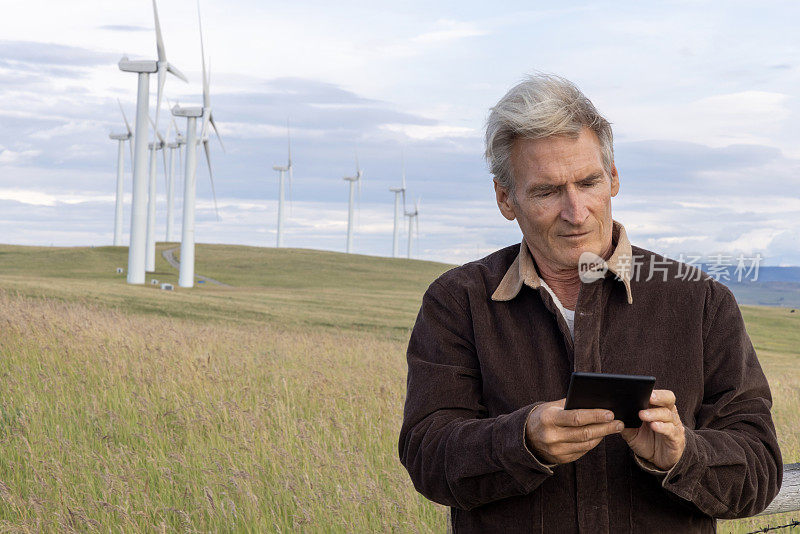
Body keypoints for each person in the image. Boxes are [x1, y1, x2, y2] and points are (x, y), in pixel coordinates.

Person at [398, 74, 782, 533]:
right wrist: (521, 442)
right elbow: (426, 455)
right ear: (505, 198)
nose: (576, 212)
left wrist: (684, 455)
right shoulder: (458, 301)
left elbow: (759, 470)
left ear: (614, 178)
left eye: (588, 182)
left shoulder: (700, 301)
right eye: (546, 191)